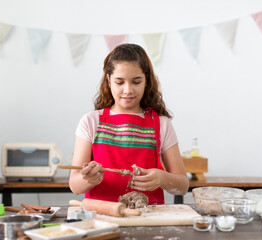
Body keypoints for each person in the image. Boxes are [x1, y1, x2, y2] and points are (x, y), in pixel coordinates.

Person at [69, 43, 189, 204]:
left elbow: (182, 186)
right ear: (108, 80)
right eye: (119, 82)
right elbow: (75, 186)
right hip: (101, 220)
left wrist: (163, 178)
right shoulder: (91, 121)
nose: (128, 90)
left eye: (136, 82)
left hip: (149, 219)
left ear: (146, 81)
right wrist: (88, 179)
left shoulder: (162, 124)